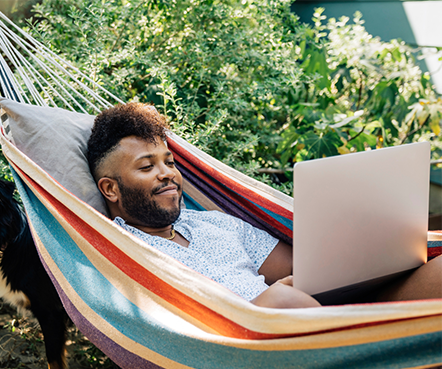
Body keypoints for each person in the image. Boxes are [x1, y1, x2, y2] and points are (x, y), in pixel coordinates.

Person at [87, 102, 442, 309]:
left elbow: (311, 271)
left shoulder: (216, 224)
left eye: (170, 162)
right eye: (148, 167)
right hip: (239, 350)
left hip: (311, 320)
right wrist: (282, 300)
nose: (167, 175)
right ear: (111, 189)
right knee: (288, 302)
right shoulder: (119, 248)